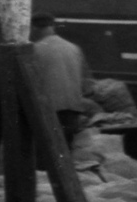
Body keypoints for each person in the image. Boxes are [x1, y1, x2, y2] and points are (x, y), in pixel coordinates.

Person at [29, 13, 92, 147]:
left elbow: (29, 83)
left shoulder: (33, 50)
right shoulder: (74, 48)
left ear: (33, 28)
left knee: (47, 152)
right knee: (66, 151)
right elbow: (87, 86)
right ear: (52, 26)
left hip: (48, 112)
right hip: (73, 111)